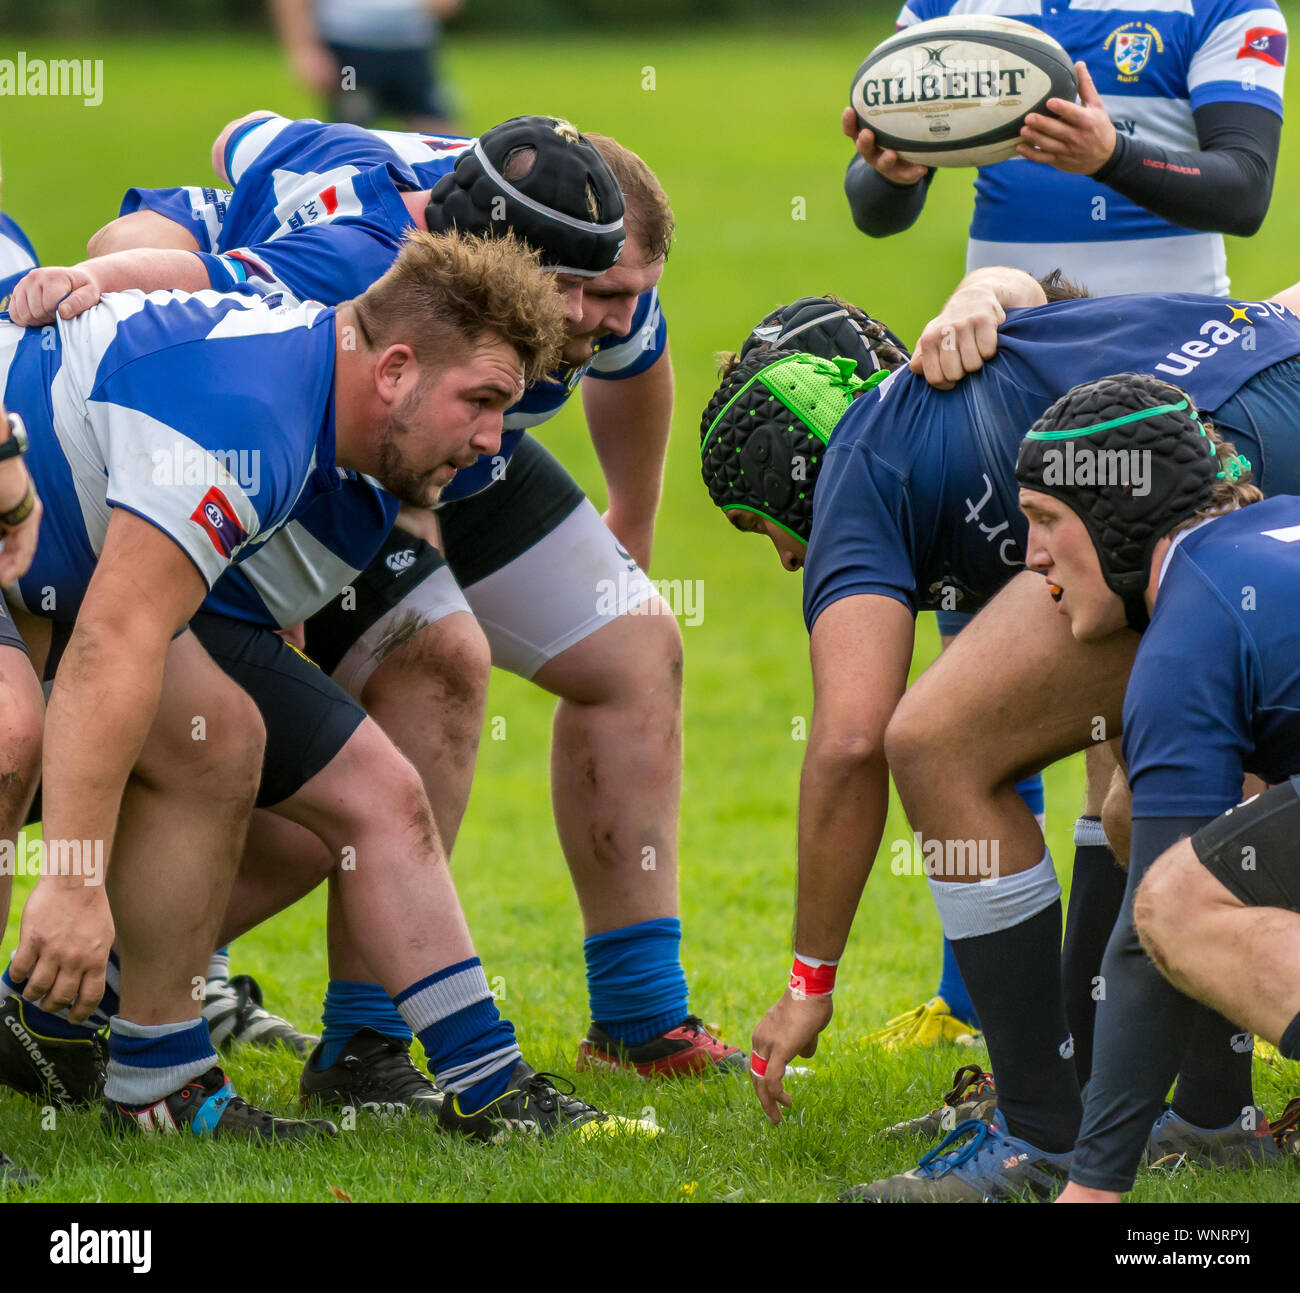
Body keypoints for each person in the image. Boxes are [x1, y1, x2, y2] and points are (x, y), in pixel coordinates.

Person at [73, 111, 742, 1103]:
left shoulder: (592, 247)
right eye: (588, 295)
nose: (605, 316)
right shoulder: (354, 264)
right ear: (500, 260)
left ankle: (639, 1016)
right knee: (416, 684)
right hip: (314, 457)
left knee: (633, 645)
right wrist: (98, 270)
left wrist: (632, 521)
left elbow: (240, 136)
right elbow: (171, 270)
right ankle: (169, 999)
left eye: (627, 291)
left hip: (457, 438)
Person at [2, 229, 653, 1144]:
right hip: (22, 551)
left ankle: (474, 1087)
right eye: (482, 401)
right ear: (393, 370)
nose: (491, 437)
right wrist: (71, 884)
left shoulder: (323, 401)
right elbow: (112, 644)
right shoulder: (250, 417)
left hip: (60, 562)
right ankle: (69, 1012)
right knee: (20, 739)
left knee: (309, 766)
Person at [699, 272, 1300, 1199]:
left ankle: (1038, 1136)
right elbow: (1060, 288)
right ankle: (1212, 1113)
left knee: (940, 744)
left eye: (759, 526)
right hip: (1278, 379)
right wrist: (994, 283)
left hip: (1206, 465)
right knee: (1140, 794)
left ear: (786, 460)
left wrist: (808, 980)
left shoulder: (860, 458)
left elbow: (854, 740)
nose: (786, 557)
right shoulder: (997, 364)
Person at [842, 0, 1289, 1053]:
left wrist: (1110, 154)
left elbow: (1242, 190)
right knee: (985, 715)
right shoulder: (951, 10)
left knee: (1125, 749)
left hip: (1172, 399)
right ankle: (1006, 1026)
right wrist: (894, 169)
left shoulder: (1221, 7)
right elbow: (870, 202)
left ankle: (1082, 1058)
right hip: (1011, 383)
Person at [1004, 375, 1297, 1200]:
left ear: (1116, 517)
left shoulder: (1188, 627)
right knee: (1181, 836)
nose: (1032, 556)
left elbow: (1151, 935)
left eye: (1046, 520)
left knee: (1172, 902)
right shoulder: (1266, 533)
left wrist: (1092, 1189)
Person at [271, 0, 463, 133]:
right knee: (351, 129)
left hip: (412, 48)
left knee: (440, 133)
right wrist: (304, 48)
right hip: (349, 50)